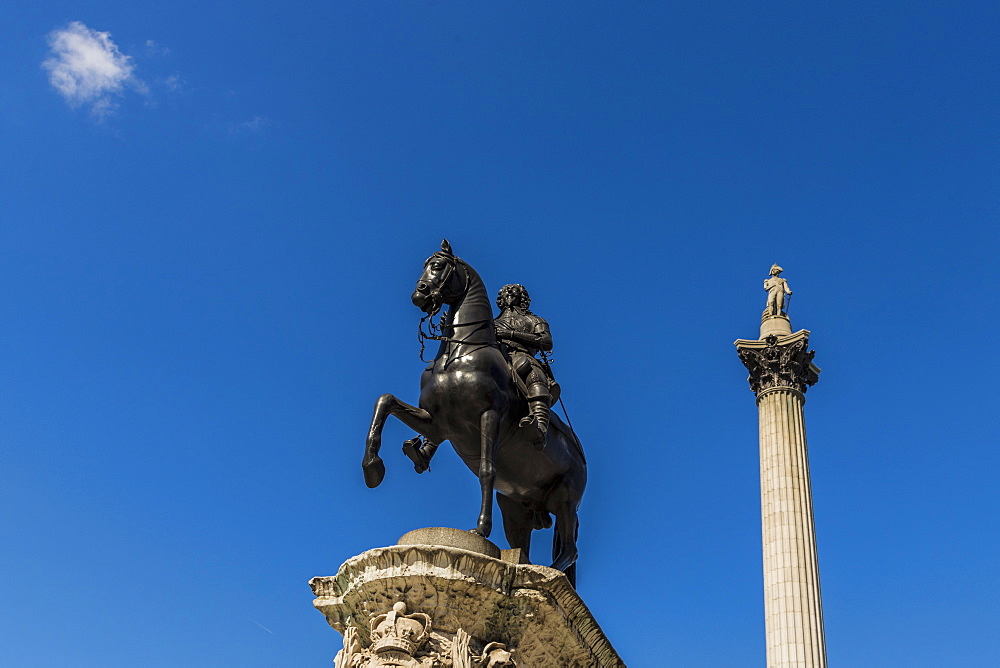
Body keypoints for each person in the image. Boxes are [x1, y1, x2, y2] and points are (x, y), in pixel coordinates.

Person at [494, 284, 555, 446]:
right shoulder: (492, 322)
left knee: (531, 371)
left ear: (523, 297)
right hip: (497, 357)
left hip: (523, 356)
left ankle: (540, 427)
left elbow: (546, 342)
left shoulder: (536, 320)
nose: (508, 292)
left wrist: (510, 334)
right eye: (504, 291)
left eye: (513, 290)